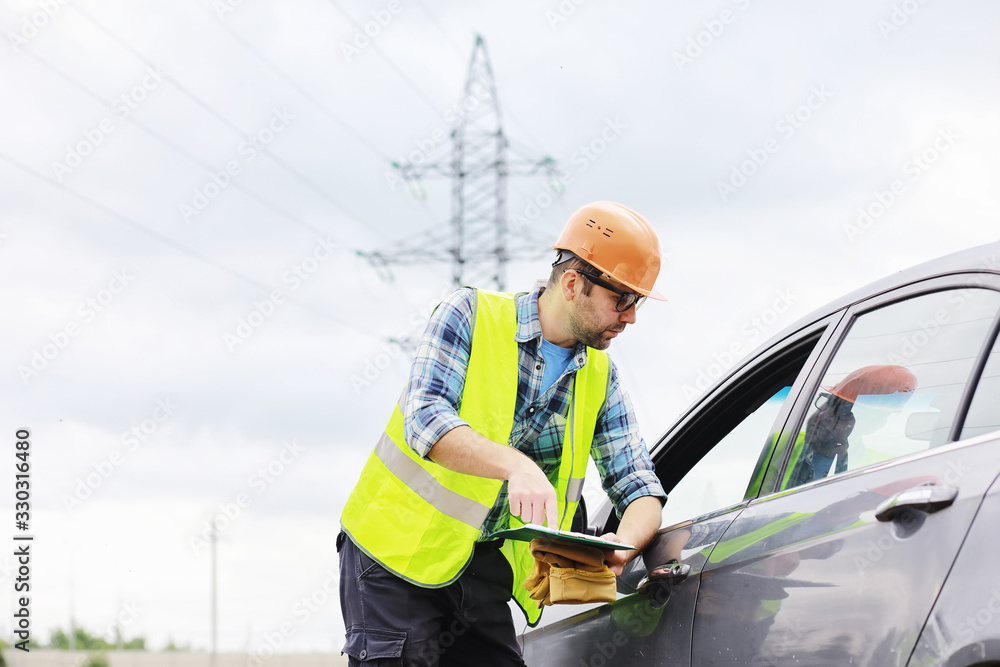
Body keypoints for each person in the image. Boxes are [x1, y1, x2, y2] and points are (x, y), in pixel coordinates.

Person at [338, 201, 668, 666]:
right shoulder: (470, 315)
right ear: (573, 284)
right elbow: (425, 418)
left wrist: (621, 551)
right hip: (394, 557)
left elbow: (638, 485)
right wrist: (517, 465)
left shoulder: (599, 375)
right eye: (624, 300)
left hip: (480, 570)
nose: (631, 316)